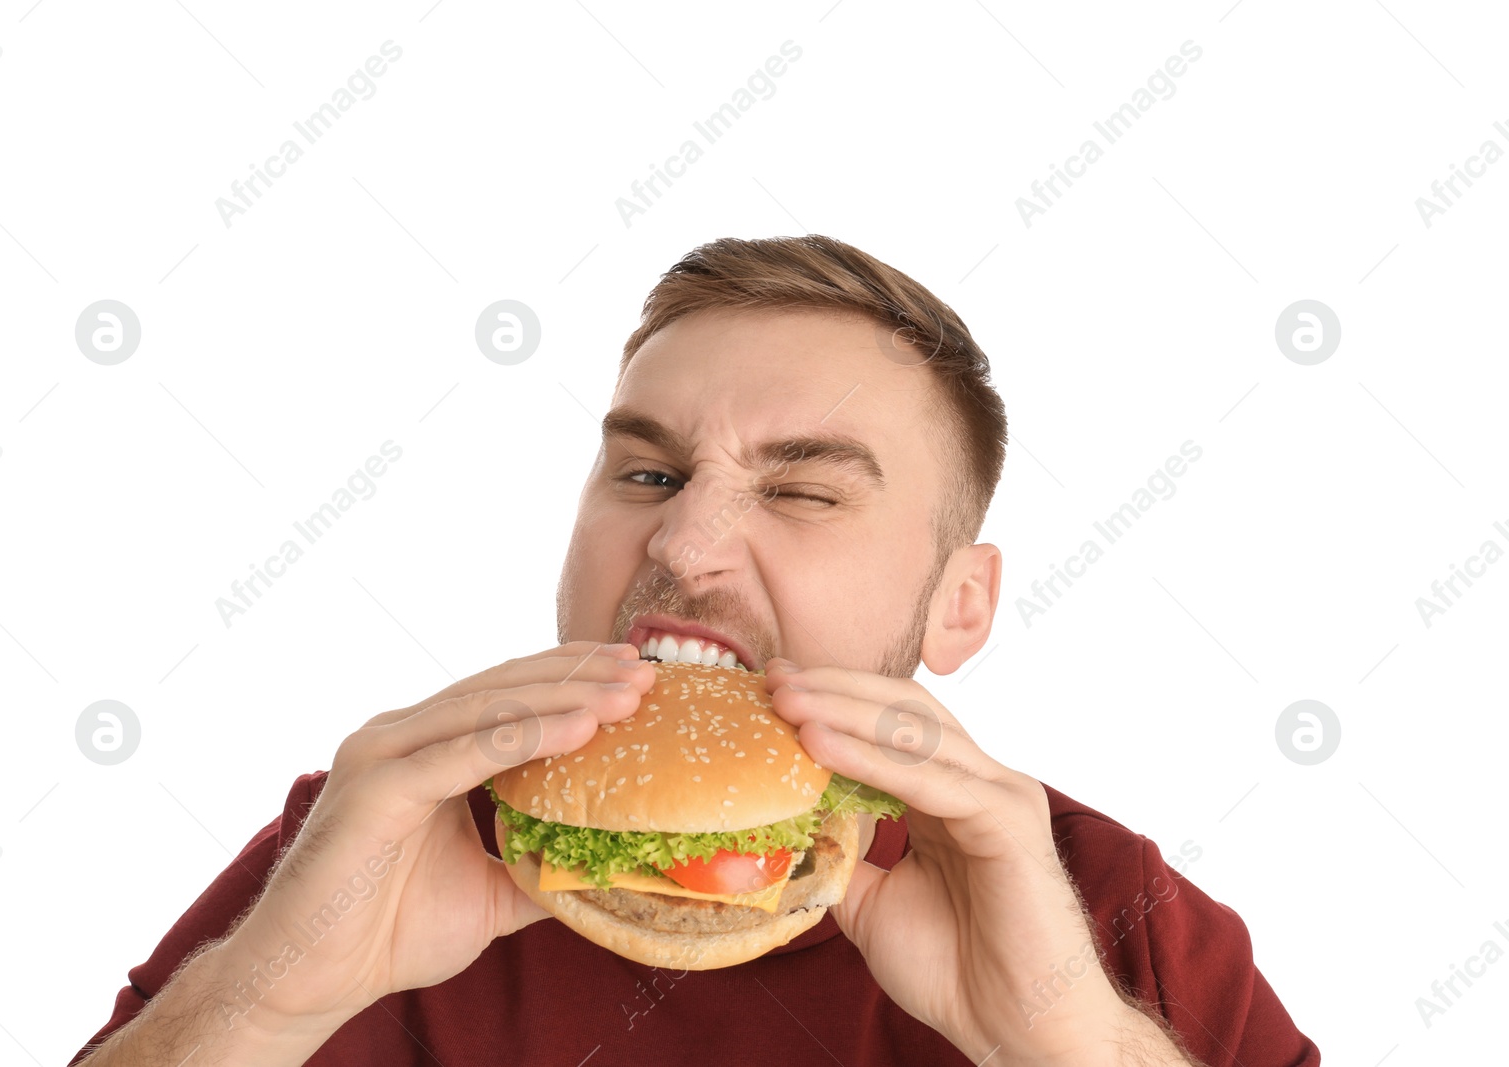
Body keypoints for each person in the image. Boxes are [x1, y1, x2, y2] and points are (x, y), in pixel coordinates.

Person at [71, 235, 1319, 1065]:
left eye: (803, 492)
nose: (684, 538)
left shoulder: (1111, 906)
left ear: (960, 606)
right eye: (648, 470)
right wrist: (262, 1004)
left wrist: (1071, 1046)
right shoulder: (363, 845)